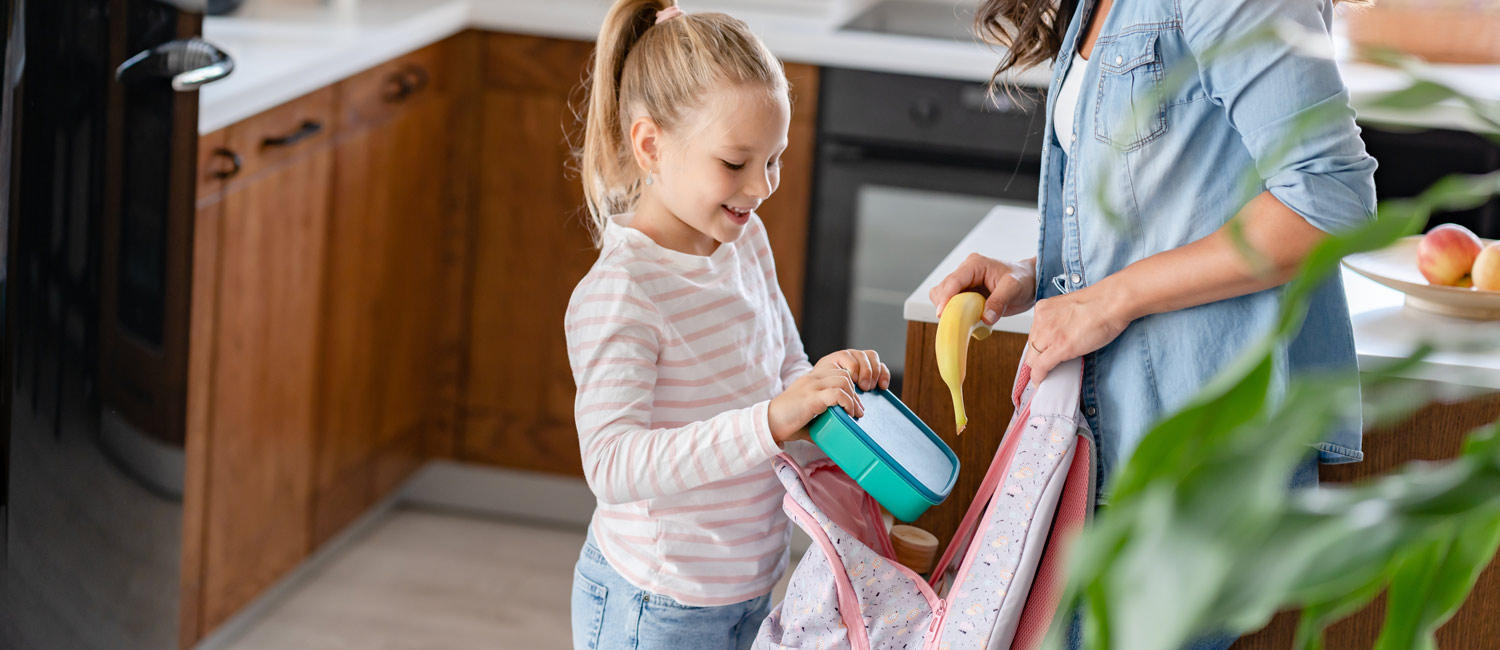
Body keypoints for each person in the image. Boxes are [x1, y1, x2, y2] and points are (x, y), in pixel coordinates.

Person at [929, 1, 1376, 646]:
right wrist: (1035, 275)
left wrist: (1110, 300)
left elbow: (1327, 198)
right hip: (1112, 433)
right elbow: (1176, 202)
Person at [565, 2, 889, 648]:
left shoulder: (744, 240)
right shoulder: (623, 291)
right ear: (651, 145)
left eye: (775, 159)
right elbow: (613, 464)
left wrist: (820, 384)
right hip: (658, 604)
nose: (762, 186)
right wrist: (772, 418)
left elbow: (781, 364)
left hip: (749, 583)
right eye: (736, 163)